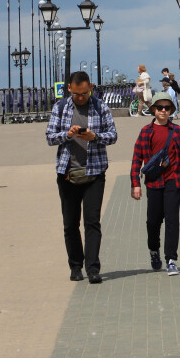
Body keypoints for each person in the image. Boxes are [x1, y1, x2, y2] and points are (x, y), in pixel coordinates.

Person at [46, 71, 118, 283]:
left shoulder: (100, 106)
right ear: (69, 88)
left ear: (91, 88)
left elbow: (113, 136)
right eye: (77, 94)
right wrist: (67, 135)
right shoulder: (60, 108)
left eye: (85, 93)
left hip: (94, 173)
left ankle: (93, 268)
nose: (81, 98)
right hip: (67, 173)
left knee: (92, 222)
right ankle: (75, 266)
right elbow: (50, 137)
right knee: (70, 223)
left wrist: (94, 137)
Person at [130, 92, 180, 275]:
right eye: (159, 107)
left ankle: (171, 259)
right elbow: (137, 158)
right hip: (153, 183)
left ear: (171, 110)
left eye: (167, 108)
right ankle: (154, 250)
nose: (163, 111)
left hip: (173, 181)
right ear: (153, 109)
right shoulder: (146, 131)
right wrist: (135, 183)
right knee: (153, 222)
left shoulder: (177, 132)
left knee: (172, 221)